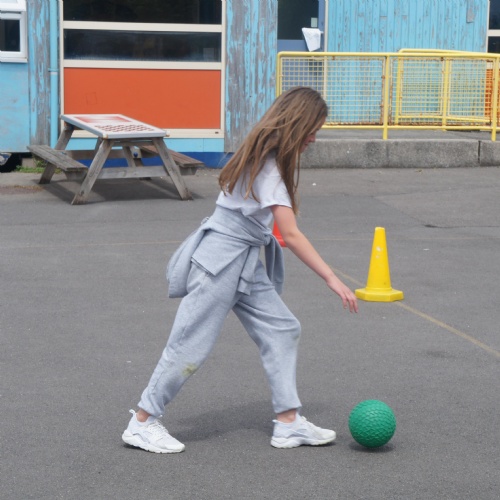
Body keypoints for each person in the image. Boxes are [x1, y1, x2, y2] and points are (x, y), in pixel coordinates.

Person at [122, 86, 359, 454]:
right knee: (190, 343)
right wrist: (333, 279)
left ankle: (288, 423)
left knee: (282, 328)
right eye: (312, 130)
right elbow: (291, 235)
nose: (314, 138)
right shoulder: (270, 169)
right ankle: (142, 422)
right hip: (221, 261)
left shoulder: (264, 158)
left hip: (243, 258)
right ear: (297, 125)